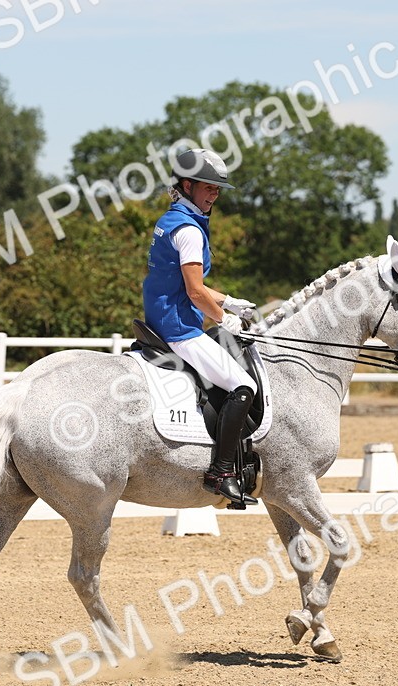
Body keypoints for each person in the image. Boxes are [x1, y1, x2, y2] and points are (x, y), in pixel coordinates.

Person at [143, 148, 259, 504]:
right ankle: (221, 471)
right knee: (243, 385)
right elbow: (194, 292)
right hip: (180, 327)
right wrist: (225, 319)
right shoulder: (190, 230)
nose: (214, 195)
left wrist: (228, 300)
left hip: (161, 315)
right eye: (208, 187)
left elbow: (186, 283)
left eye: (218, 189)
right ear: (188, 185)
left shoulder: (171, 219)